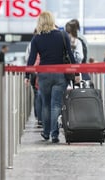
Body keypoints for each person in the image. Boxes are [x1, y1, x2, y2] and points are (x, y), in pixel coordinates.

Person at [24, 11, 77, 143]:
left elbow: (31, 59)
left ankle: (46, 132)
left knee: (46, 105)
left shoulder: (36, 39)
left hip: (43, 75)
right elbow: (71, 56)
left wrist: (27, 75)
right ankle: (54, 134)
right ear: (52, 20)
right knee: (56, 104)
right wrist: (76, 73)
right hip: (60, 74)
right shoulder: (63, 35)